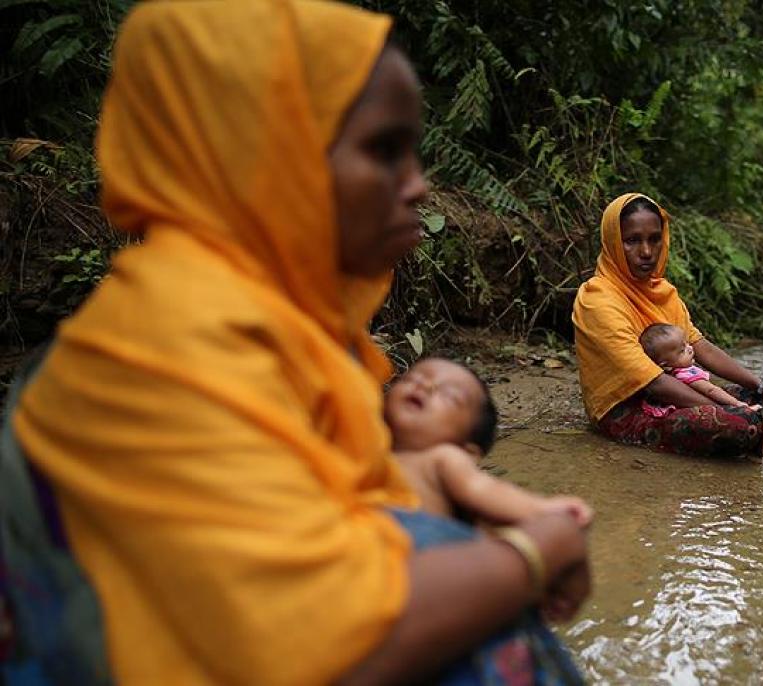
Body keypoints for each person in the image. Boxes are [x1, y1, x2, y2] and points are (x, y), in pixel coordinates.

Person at [0, 2, 589, 685]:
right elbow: (327, 645)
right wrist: (536, 551)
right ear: (260, 154)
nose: (419, 183)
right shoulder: (173, 342)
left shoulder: (282, 336)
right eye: (382, 150)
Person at [572, 193, 763, 460]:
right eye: (632, 241)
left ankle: (757, 438)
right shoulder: (597, 300)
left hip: (676, 391)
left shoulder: (663, 292)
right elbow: (653, 382)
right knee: (738, 422)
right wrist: (731, 411)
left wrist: (762, 387)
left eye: (654, 239)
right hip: (628, 409)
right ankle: (760, 439)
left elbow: (700, 347)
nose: (646, 251)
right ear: (612, 243)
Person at [384, 357, 594, 526]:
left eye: (449, 395)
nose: (424, 385)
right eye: (411, 379)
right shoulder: (364, 443)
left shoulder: (443, 457)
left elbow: (483, 488)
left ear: (467, 451)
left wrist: (540, 508)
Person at [637, 324, 763, 465]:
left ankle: (758, 445)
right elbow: (712, 390)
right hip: (692, 410)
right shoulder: (685, 375)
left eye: (686, 344)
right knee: (752, 416)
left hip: (686, 409)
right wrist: (737, 405)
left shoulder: (677, 371)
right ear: (665, 366)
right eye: (682, 351)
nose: (690, 349)